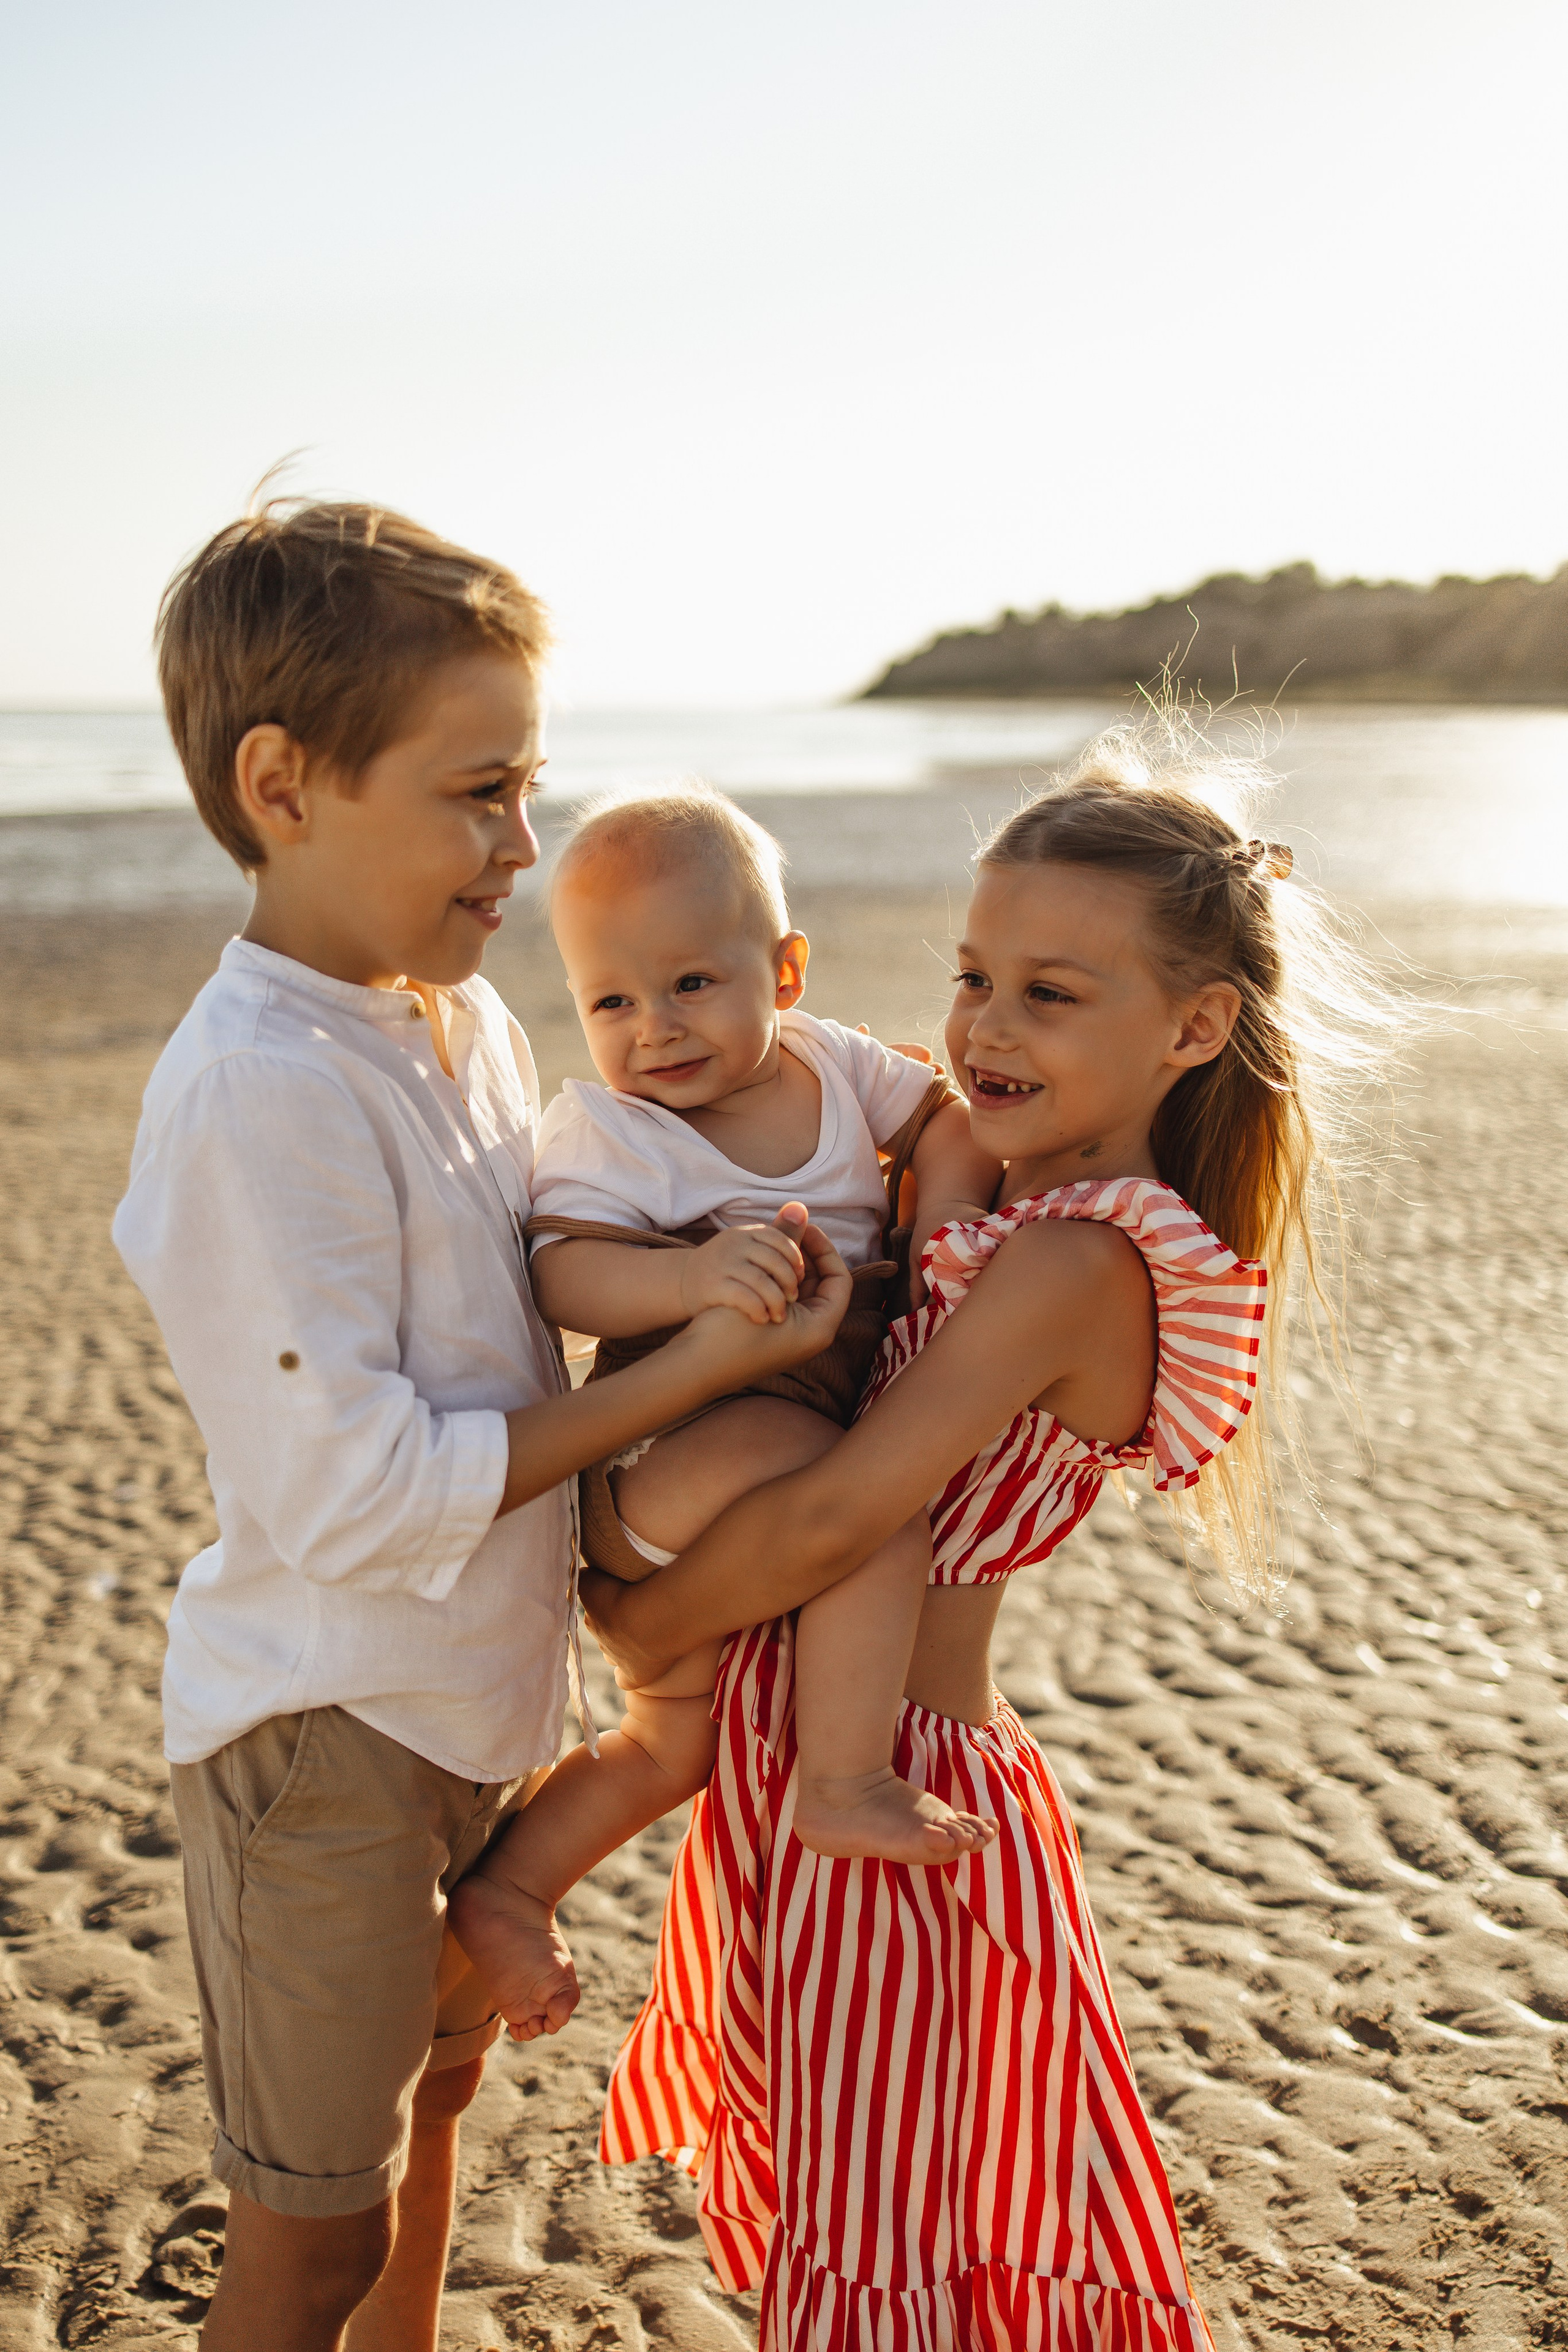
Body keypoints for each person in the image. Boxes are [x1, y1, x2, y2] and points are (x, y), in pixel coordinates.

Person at [112, 500, 848, 2352]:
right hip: (328, 1740)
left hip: (474, 1701)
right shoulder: (257, 1093)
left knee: (439, 2103)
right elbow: (358, 1492)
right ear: (284, 783)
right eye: (478, 793)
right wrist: (691, 1375)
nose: (526, 845)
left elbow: (550, 1289)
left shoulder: (460, 1026)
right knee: (309, 2243)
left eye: (531, 788)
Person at [586, 731, 1397, 2349]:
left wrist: (628, 1619)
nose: (985, 1025)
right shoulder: (998, 1195)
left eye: (1050, 992)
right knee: (868, 2216)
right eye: (976, 974)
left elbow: (838, 1514)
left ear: (1197, 1026)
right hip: (814, 1767)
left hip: (893, 1786)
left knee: (890, 2252)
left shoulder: (1081, 1264)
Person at [449, 788, 1001, 2035]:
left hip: (766, 1451)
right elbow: (560, 1270)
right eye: (611, 1002)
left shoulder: (836, 1069)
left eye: (691, 983)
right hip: (665, 1455)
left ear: (785, 970)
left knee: (667, 1748)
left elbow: (947, 1123)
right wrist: (689, 1279)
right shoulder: (611, 1127)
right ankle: (843, 1777)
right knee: (863, 1503)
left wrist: (945, 1230)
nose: (652, 1030)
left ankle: (513, 1890)